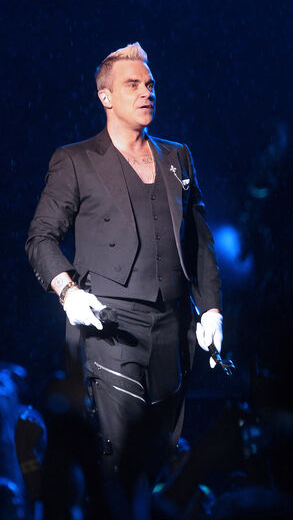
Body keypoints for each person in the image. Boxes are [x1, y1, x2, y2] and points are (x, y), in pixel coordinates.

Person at [26, 42, 223, 479]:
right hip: (111, 326)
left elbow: (200, 242)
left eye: (150, 84)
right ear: (106, 96)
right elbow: (40, 238)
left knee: (162, 454)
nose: (146, 92)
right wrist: (67, 291)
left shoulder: (177, 157)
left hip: (173, 327)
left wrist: (211, 310)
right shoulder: (75, 160)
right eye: (132, 84)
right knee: (119, 457)